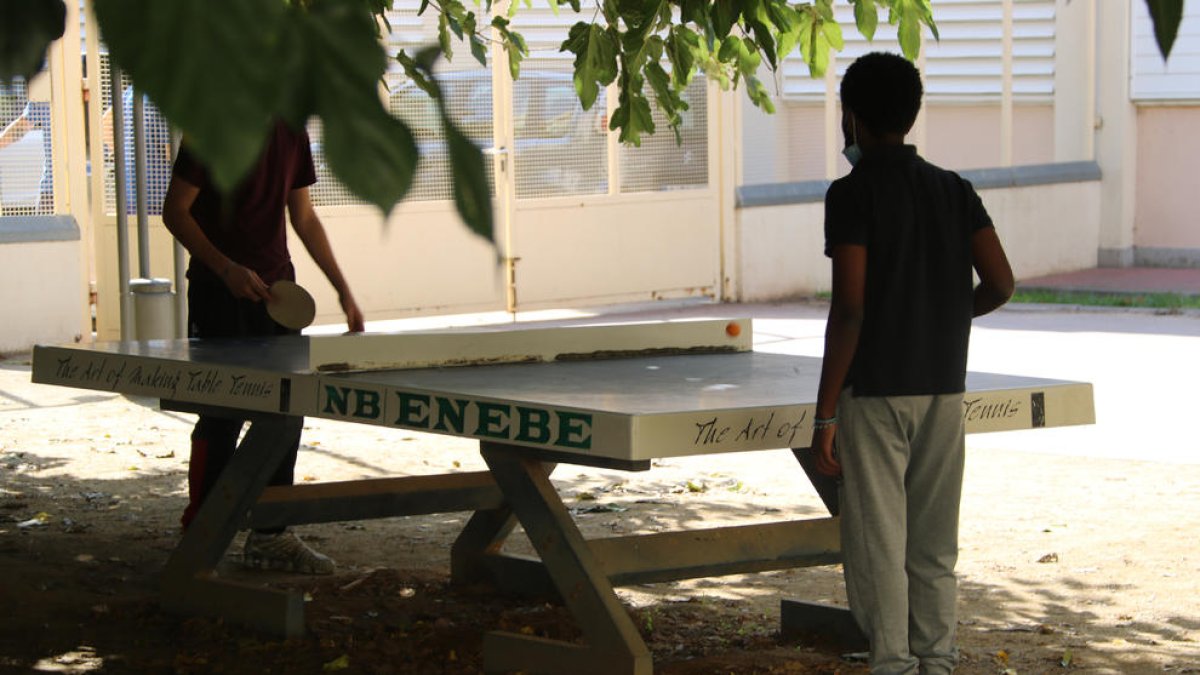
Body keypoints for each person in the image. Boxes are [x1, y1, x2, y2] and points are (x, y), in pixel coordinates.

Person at [809, 52, 1014, 674]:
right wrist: (942, 319)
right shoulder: (954, 190)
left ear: (852, 118)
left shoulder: (852, 193)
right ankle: (939, 661)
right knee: (932, 547)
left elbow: (850, 308)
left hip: (874, 395)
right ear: (911, 112)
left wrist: (823, 417)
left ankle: (893, 665)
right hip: (943, 390)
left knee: (879, 546)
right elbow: (1001, 283)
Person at [162, 119, 365, 575]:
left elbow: (304, 217)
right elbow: (175, 211)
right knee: (220, 410)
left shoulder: (293, 133)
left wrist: (342, 288)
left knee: (287, 411)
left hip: (278, 295)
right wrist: (225, 268)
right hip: (219, 293)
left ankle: (271, 537)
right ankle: (202, 533)